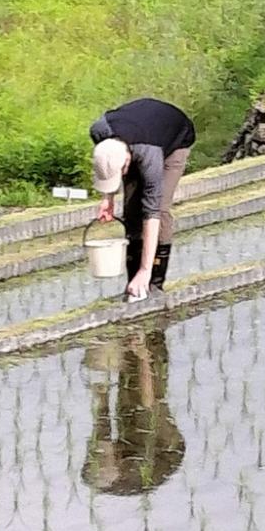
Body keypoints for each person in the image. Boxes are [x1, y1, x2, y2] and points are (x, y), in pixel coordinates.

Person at [91, 97, 196, 300]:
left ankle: (153, 281)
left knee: (161, 208)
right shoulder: (99, 132)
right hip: (139, 131)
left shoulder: (150, 155)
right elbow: (106, 163)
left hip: (176, 137)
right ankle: (134, 282)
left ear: (127, 161)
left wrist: (145, 270)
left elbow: (152, 212)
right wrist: (108, 198)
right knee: (130, 209)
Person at [81, 327, 186, 495]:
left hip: (143, 451)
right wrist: (144, 356)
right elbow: (149, 403)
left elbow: (101, 429)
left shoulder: (103, 465)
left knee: (130, 395)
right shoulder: (139, 464)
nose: (99, 451)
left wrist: (102, 397)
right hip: (166, 449)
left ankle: (136, 340)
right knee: (138, 396)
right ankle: (150, 342)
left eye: (97, 454)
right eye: (102, 455)